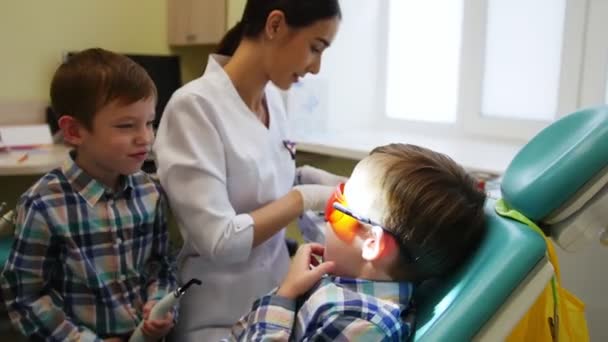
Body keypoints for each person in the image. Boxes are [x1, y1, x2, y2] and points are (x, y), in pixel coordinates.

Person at [152, 0, 344, 340]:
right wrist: (306, 197)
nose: (316, 68)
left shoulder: (274, 104)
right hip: (217, 318)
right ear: (274, 25)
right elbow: (222, 240)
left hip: (276, 305)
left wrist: (323, 181)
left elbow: (262, 183)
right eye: (315, 48)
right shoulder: (194, 107)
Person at [225, 143, 488, 341]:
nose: (325, 218)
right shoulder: (353, 287)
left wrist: (284, 295)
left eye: (336, 208)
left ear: (372, 245)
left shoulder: (363, 326)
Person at [0, 48, 177, 341]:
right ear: (73, 130)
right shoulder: (44, 205)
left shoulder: (151, 192)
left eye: (149, 122)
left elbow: (160, 265)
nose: (145, 137)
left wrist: (161, 304)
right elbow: (27, 296)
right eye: (125, 125)